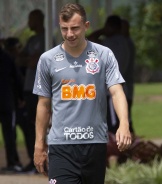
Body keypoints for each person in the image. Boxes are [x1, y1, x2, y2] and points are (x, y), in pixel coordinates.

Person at [33, 3, 131, 184]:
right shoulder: (48, 60)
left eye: (75, 28)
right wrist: (39, 144)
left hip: (94, 144)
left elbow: (117, 91)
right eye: (65, 29)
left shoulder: (104, 55)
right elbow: (43, 104)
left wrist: (124, 124)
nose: (69, 34)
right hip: (61, 146)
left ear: (86, 26)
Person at [88, 15, 132, 134]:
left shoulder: (111, 43)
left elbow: (89, 40)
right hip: (120, 88)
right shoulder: (124, 41)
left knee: (112, 129)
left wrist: (102, 31)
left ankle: (115, 152)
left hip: (111, 90)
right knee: (120, 125)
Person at [17, 9, 46, 173]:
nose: (28, 21)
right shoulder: (32, 40)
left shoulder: (46, 39)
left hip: (40, 89)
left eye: (31, 18)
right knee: (28, 125)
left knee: (40, 125)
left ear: (39, 20)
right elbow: (21, 60)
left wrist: (28, 60)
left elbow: (35, 62)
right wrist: (28, 60)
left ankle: (43, 159)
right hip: (29, 87)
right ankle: (32, 160)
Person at [0, 43, 24, 173]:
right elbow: (17, 78)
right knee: (9, 133)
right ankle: (12, 161)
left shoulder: (7, 58)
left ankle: (13, 161)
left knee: (9, 133)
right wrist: (21, 96)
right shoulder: (7, 58)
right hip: (6, 101)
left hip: (6, 101)